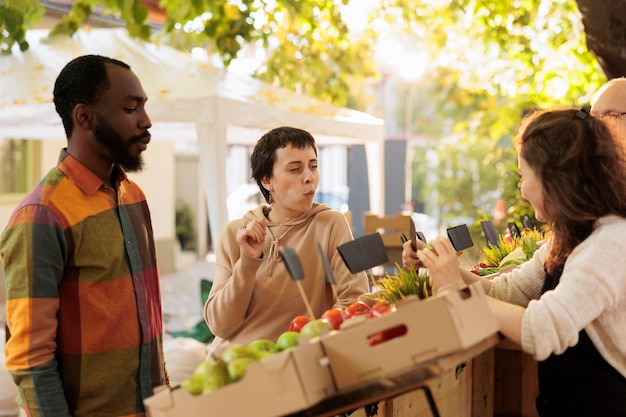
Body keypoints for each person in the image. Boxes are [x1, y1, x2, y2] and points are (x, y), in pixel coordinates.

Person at [402, 107, 626, 416]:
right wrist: (443, 267)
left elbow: (541, 329)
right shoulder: (569, 238)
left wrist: (456, 289)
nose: (521, 192)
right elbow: (508, 294)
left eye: (523, 177)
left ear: (554, 178)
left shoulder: (610, 243)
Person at [0, 55, 168, 417]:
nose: (146, 121)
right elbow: (30, 358)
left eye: (144, 107)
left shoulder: (133, 195)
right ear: (84, 117)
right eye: (130, 108)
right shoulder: (41, 216)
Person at [205, 126, 369, 357]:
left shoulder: (333, 223)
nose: (309, 177)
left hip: (299, 364)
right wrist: (247, 263)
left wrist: (310, 347)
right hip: (233, 367)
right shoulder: (235, 234)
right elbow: (219, 325)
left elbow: (356, 301)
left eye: (313, 166)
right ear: (267, 180)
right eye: (295, 169)